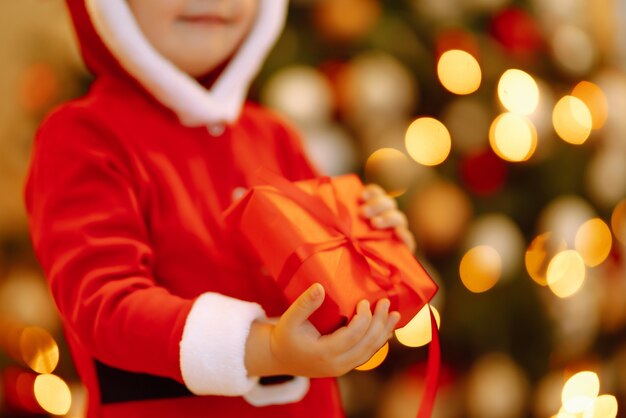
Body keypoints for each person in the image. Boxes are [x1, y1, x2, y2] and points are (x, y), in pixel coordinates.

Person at [22, 1, 417, 417]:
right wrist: (263, 348)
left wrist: (373, 258)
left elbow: (326, 285)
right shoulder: (84, 137)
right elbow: (106, 307)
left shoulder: (273, 135)